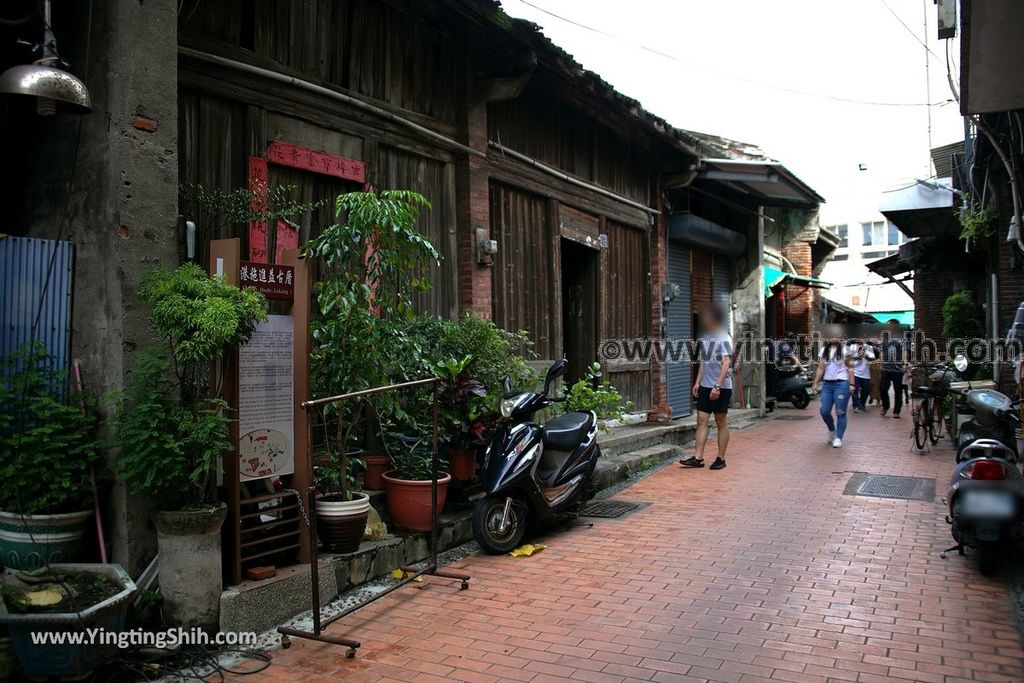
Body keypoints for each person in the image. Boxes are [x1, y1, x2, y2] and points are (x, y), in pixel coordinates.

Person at [680, 303, 733, 470]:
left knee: (720, 421)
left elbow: (726, 364)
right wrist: (698, 382)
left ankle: (721, 458)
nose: (702, 319)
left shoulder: (724, 338)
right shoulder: (705, 338)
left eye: (705, 316)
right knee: (701, 420)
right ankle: (698, 458)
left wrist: (717, 386)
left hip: (721, 387)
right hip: (705, 385)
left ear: (714, 318)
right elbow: (704, 362)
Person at [811, 330, 856, 448]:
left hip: (841, 384)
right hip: (827, 385)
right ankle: (832, 430)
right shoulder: (824, 350)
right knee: (824, 411)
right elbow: (821, 368)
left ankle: (839, 438)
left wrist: (852, 384)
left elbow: (851, 368)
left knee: (840, 412)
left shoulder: (846, 350)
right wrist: (815, 383)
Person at [879, 319, 908, 418]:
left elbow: (904, 352)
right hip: (886, 368)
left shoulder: (901, 339)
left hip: (897, 369)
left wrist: (904, 364)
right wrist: (881, 362)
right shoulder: (885, 338)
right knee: (883, 388)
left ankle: (897, 411)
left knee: (898, 391)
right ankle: (885, 406)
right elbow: (882, 351)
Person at [850, 340, 873, 412]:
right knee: (855, 390)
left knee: (866, 391)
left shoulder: (869, 347)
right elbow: (848, 358)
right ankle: (856, 406)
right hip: (855, 372)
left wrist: (866, 355)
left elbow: (872, 358)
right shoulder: (852, 347)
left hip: (865, 374)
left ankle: (862, 404)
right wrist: (857, 356)